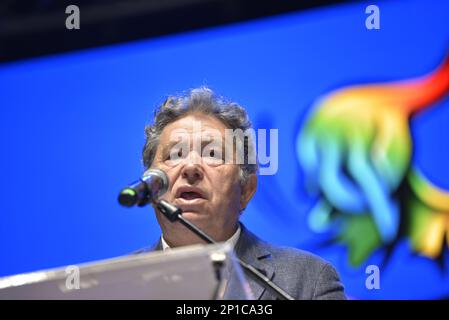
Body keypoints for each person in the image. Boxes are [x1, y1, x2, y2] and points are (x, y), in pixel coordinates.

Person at [135, 87, 346, 300]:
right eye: (175, 154)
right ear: (151, 186)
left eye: (213, 154)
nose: (191, 167)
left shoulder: (309, 280)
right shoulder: (107, 286)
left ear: (246, 190)